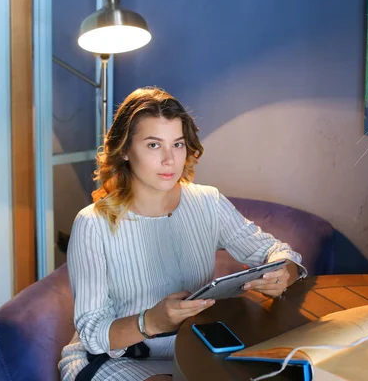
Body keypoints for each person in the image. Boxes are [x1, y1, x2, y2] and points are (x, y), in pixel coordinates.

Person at [58, 87, 307, 381]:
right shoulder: (93, 224)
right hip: (114, 358)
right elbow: (92, 333)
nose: (169, 160)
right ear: (125, 149)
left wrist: (284, 273)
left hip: (192, 349)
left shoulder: (207, 202)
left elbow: (277, 253)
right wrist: (150, 321)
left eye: (177, 144)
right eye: (153, 145)